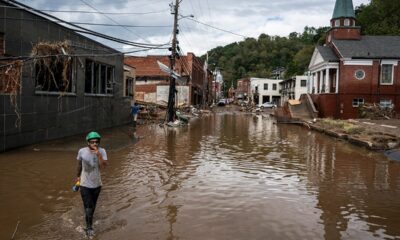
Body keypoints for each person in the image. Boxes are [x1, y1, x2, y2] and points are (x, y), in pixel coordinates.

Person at [76, 131, 108, 237]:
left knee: (92, 206)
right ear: (88, 142)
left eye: (96, 142)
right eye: (92, 142)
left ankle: (89, 219)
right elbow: (79, 165)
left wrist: (98, 155)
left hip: (97, 184)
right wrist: (77, 178)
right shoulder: (82, 151)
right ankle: (89, 227)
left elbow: (104, 166)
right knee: (88, 206)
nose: (95, 144)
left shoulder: (102, 151)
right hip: (84, 184)